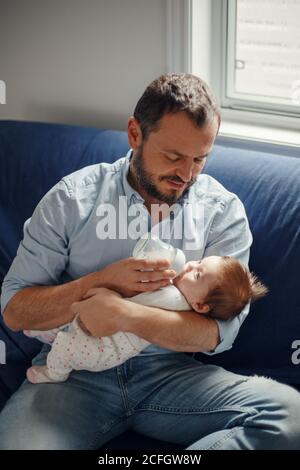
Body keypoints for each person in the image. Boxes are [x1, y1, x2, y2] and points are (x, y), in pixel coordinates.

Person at [1, 73, 300, 449]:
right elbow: (15, 311)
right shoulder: (72, 200)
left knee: (290, 417)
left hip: (170, 372)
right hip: (73, 371)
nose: (186, 175)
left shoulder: (222, 213)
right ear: (134, 134)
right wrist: (99, 282)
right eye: (173, 157)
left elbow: (218, 334)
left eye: (200, 160)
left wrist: (126, 315)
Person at [24, 255, 268, 384]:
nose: (191, 264)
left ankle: (54, 372)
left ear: (200, 305)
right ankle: (48, 332)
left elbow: (123, 306)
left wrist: (111, 294)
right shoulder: (179, 294)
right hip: (102, 332)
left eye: (197, 273)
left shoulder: (173, 300)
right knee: (76, 319)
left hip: (104, 349)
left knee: (68, 346)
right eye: (199, 262)